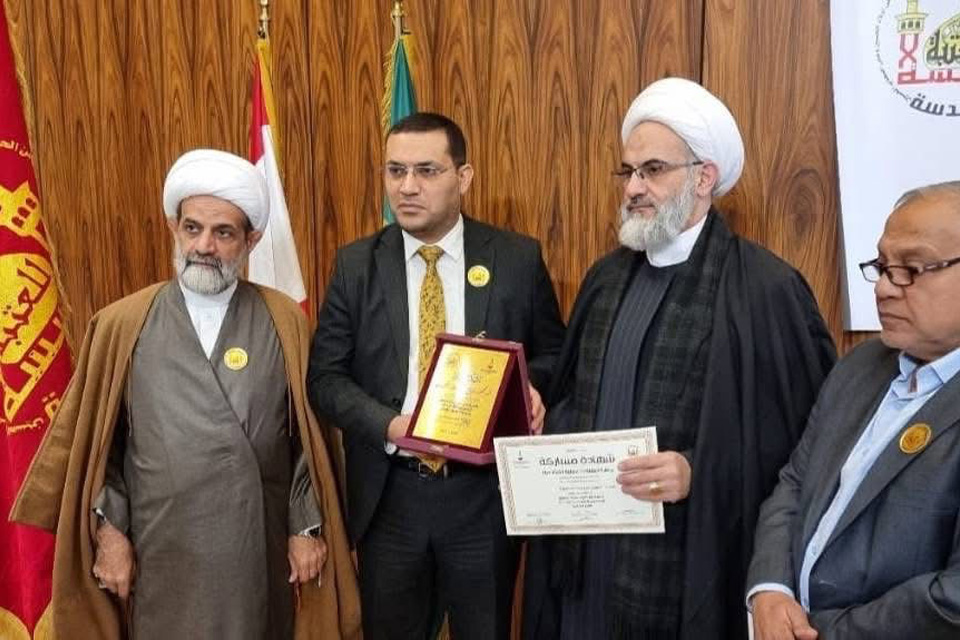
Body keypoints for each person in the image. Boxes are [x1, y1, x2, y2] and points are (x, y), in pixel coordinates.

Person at [521, 77, 837, 640]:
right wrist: (545, 416)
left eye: (653, 170)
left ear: (704, 177)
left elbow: (800, 445)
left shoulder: (765, 290)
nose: (633, 188)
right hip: (586, 561)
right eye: (628, 172)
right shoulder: (605, 278)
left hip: (686, 565)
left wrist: (697, 469)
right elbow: (575, 396)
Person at [11, 149, 360, 640]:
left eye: (223, 233)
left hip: (254, 548)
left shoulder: (284, 320)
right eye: (192, 228)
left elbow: (308, 442)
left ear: (251, 240)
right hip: (160, 546)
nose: (204, 246)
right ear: (174, 227)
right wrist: (109, 534)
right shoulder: (120, 324)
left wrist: (305, 529)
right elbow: (100, 449)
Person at [307, 112, 565, 640]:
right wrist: (389, 425)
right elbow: (325, 379)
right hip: (391, 498)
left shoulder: (516, 258)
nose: (407, 187)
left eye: (426, 171)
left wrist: (532, 388)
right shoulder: (356, 265)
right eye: (395, 170)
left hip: (483, 498)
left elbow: (555, 355)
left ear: (463, 177)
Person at [748, 181, 960, 640]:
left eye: (911, 269)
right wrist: (770, 589)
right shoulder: (860, 365)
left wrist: (820, 632)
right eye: (882, 267)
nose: (883, 288)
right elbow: (795, 482)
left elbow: (953, 600)